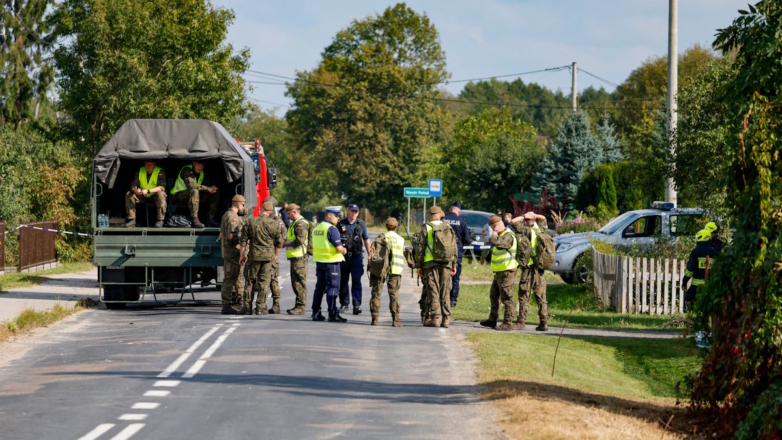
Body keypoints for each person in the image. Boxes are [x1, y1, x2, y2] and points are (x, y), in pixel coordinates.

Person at [240, 202, 284, 315]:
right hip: (268, 258)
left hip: (253, 256)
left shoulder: (251, 221)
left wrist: (242, 255)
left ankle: (247, 307)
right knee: (264, 283)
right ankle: (260, 308)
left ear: (261, 209)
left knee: (249, 282)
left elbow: (243, 241)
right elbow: (279, 243)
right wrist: (275, 256)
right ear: (270, 212)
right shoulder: (274, 224)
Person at [417, 206, 457, 328]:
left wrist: (419, 265)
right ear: (440, 215)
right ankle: (446, 319)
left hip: (430, 263)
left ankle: (435, 318)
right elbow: (455, 247)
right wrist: (454, 264)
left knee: (433, 290)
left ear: (429, 215)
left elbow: (420, 248)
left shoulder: (427, 227)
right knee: (445, 290)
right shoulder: (448, 227)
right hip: (446, 264)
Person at [511, 211, 550, 331]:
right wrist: (535, 216)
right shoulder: (540, 229)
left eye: (527, 220)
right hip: (540, 269)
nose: (524, 221)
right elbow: (543, 218)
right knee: (541, 297)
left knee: (524, 295)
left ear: (530, 221)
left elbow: (513, 222)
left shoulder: (526, 231)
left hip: (529, 268)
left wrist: (524, 216)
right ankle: (544, 322)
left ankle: (521, 322)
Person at [479, 215, 519, 331]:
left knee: (507, 297)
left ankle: (507, 322)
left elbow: (495, 241)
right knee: (494, 295)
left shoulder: (508, 235)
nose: (493, 230)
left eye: (494, 227)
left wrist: (495, 231)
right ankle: (492, 319)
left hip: (507, 271)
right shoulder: (502, 235)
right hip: (499, 272)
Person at [312, 206, 348, 322]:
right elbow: (338, 248)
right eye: (336, 215)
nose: (338, 218)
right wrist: (344, 250)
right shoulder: (332, 229)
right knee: (333, 288)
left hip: (320, 262)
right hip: (331, 263)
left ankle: (316, 313)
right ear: (329, 215)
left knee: (319, 288)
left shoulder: (317, 228)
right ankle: (333, 314)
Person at [369, 217, 405, 327]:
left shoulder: (381, 238)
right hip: (395, 270)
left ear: (386, 226)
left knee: (376, 293)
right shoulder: (401, 239)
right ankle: (396, 319)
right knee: (394, 294)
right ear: (396, 227)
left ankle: (375, 318)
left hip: (380, 269)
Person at [337, 204, 371, 315]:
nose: (353, 213)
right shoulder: (340, 224)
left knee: (356, 282)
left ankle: (356, 305)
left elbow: (366, 239)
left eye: (355, 211)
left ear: (358, 213)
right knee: (343, 282)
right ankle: (344, 304)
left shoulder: (361, 224)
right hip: (343, 258)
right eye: (352, 211)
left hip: (356, 257)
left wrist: (369, 254)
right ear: (347, 211)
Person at [218, 195, 247, 315]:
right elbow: (232, 236)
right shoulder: (233, 217)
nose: (243, 207)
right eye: (243, 205)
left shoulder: (226, 215)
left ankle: (232, 302)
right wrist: (245, 239)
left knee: (233, 277)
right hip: (233, 252)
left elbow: (221, 233)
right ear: (237, 204)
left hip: (229, 252)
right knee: (230, 279)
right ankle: (226, 305)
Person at [170, 160, 220, 228]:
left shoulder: (202, 173)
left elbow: (206, 184)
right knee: (194, 191)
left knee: (215, 193)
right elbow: (191, 186)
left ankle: (210, 219)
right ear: (194, 163)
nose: (200, 167)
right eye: (199, 164)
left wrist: (212, 188)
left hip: (193, 196)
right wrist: (208, 188)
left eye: (202, 165)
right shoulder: (187, 169)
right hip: (178, 196)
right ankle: (195, 219)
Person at [681, 229, 719, 312]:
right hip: (710, 286)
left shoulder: (696, 252)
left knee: (688, 300)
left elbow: (690, 270)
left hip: (696, 287)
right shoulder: (715, 253)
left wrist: (684, 281)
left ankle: (690, 318)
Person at [443, 201, 471, 308]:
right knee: (456, 277)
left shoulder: (444, 219)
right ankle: (453, 300)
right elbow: (467, 239)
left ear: (451, 209)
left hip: (443, 252)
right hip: (456, 253)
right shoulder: (462, 221)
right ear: (458, 211)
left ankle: (443, 296)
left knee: (443, 274)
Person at [283, 204, 309, 315]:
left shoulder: (300, 224)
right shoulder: (294, 223)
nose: (287, 216)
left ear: (294, 212)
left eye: (288, 213)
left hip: (299, 257)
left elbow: (299, 240)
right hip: (295, 257)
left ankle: (300, 306)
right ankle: (298, 305)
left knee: (299, 282)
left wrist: (286, 243)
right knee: (295, 282)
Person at [124, 160, 167, 228]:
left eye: (151, 164)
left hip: (154, 195)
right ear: (145, 164)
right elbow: (133, 185)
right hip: (142, 196)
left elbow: (161, 187)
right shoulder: (141, 170)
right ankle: (132, 220)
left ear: (154, 164)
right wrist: (135, 190)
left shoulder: (159, 171)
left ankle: (160, 220)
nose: (149, 166)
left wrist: (148, 191)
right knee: (129, 194)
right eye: (147, 164)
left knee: (161, 194)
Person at [268, 213, 287, 314]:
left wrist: (275, 255)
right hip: (267, 256)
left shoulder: (277, 222)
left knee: (273, 280)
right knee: (266, 281)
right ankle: (264, 305)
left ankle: (276, 304)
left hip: (271, 256)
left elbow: (281, 240)